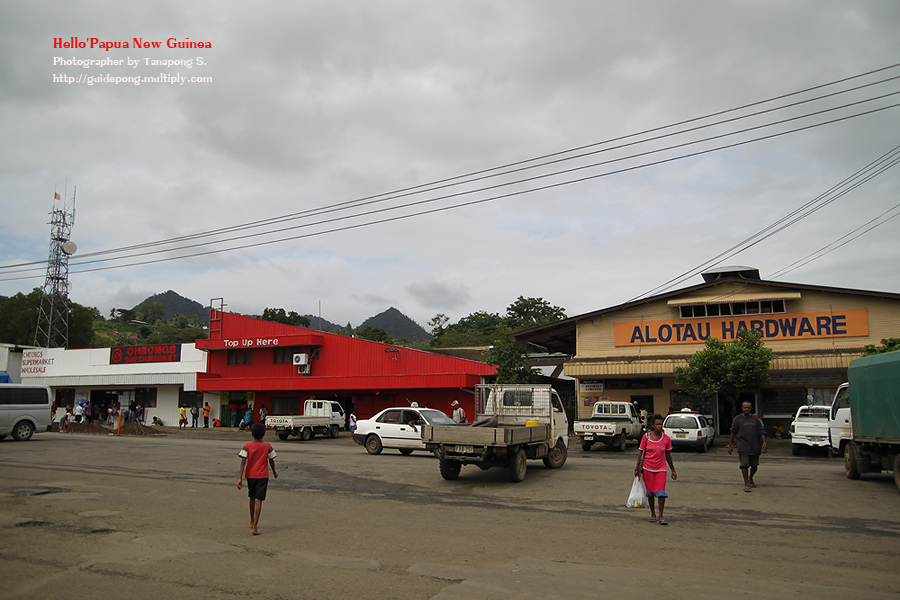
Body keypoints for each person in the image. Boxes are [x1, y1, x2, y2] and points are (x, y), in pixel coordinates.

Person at [634, 414, 677, 525]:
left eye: (661, 424)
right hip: (647, 468)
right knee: (651, 493)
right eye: (657, 424)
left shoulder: (666, 439)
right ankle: (653, 513)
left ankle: (661, 515)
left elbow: (668, 455)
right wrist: (637, 468)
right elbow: (641, 453)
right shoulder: (646, 437)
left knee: (661, 493)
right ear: (652, 425)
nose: (659, 426)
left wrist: (673, 470)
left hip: (661, 469)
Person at [237, 422, 278, 535]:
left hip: (250, 475)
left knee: (251, 497)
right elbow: (271, 460)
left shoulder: (247, 445)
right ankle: (255, 527)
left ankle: (251, 520)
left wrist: (240, 477)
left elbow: (243, 461)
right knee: (258, 499)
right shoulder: (267, 446)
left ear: (252, 434)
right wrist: (274, 472)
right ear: (264, 434)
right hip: (262, 476)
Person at [729, 401, 767, 492]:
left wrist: (764, 442)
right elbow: (733, 432)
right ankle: (746, 483)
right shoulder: (737, 419)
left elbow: (761, 431)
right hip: (743, 445)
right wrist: (730, 445)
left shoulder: (756, 419)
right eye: (745, 407)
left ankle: (751, 477)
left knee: (754, 465)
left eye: (748, 408)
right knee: (744, 465)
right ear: (742, 408)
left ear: (751, 409)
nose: (746, 409)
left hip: (755, 445)